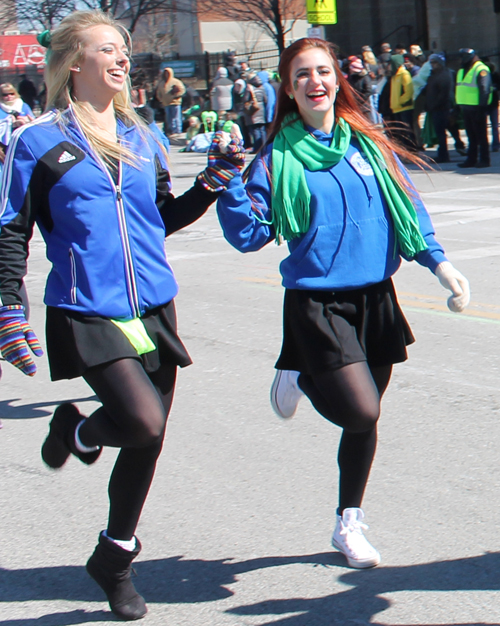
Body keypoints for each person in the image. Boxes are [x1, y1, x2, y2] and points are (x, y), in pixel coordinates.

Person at [0, 10, 244, 620]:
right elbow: (10, 231)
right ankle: (79, 433)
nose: (121, 60)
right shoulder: (38, 141)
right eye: (107, 49)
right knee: (144, 421)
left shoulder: (144, 138)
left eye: (124, 51)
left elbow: (157, 220)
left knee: (146, 439)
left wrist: (209, 185)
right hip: (87, 308)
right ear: (73, 63)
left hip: (153, 306)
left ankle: (113, 557)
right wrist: (8, 309)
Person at [215, 37, 470, 569]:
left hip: (375, 297)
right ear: (287, 88)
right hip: (317, 303)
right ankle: (302, 372)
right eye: (302, 74)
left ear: (338, 80)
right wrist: (229, 186)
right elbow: (249, 235)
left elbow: (408, 210)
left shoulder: (366, 146)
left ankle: (348, 522)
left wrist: (440, 265)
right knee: (362, 409)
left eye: (324, 72)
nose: (315, 82)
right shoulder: (276, 158)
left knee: (364, 423)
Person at [455, 48, 492, 168]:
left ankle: (484, 160)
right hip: (466, 107)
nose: (460, 59)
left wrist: (482, 108)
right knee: (471, 136)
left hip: (477, 108)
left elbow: (484, 90)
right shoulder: (462, 70)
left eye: (462, 57)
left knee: (481, 136)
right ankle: (471, 159)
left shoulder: (481, 69)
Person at [425, 54, 454, 163]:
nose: (433, 65)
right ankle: (442, 153)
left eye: (435, 63)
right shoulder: (433, 75)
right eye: (431, 63)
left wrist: (435, 104)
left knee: (442, 133)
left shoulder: (444, 75)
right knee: (439, 133)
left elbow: (444, 93)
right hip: (434, 108)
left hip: (442, 108)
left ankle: (444, 155)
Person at [389, 54, 416, 149]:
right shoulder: (394, 76)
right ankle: (405, 149)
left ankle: (412, 149)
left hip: (404, 107)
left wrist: (401, 101)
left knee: (407, 131)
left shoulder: (404, 74)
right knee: (400, 132)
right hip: (396, 108)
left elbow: (409, 91)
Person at [155, 66, 186, 136]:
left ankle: (178, 131)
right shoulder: (161, 83)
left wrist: (175, 95)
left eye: (168, 73)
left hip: (175, 103)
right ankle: (171, 131)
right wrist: (161, 100)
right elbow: (158, 93)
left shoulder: (176, 82)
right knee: (169, 119)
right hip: (166, 103)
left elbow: (182, 90)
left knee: (176, 118)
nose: (166, 74)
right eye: (165, 73)